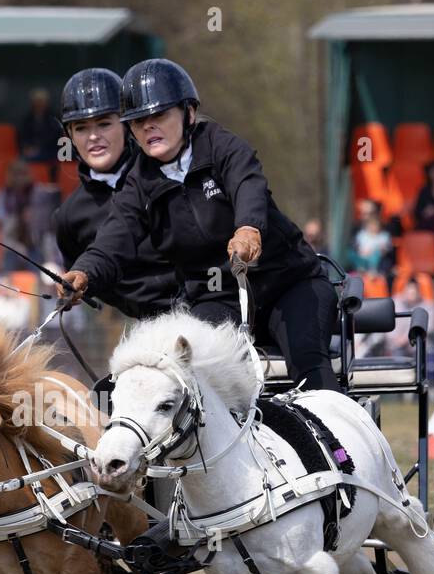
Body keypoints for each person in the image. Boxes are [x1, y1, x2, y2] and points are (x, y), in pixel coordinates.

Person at [58, 58, 341, 391]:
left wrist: (248, 227)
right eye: (139, 121)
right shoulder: (138, 184)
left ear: (188, 113)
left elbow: (249, 185)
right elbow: (113, 239)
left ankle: (337, 446)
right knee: (192, 371)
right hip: (218, 298)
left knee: (308, 363)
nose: (149, 127)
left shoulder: (221, 145)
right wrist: (85, 272)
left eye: (160, 115)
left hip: (289, 285)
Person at [52, 67, 177, 318]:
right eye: (81, 128)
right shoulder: (68, 217)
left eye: (105, 124)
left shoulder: (169, 172)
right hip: (144, 329)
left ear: (127, 126)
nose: (94, 137)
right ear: (69, 136)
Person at [17, 88, 59, 163]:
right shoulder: (27, 119)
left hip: (51, 151)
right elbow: (22, 137)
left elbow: (55, 137)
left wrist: (39, 149)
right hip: (31, 152)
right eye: (37, 101)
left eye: (41, 101)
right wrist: (27, 147)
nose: (39, 104)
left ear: (47, 102)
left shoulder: (54, 118)